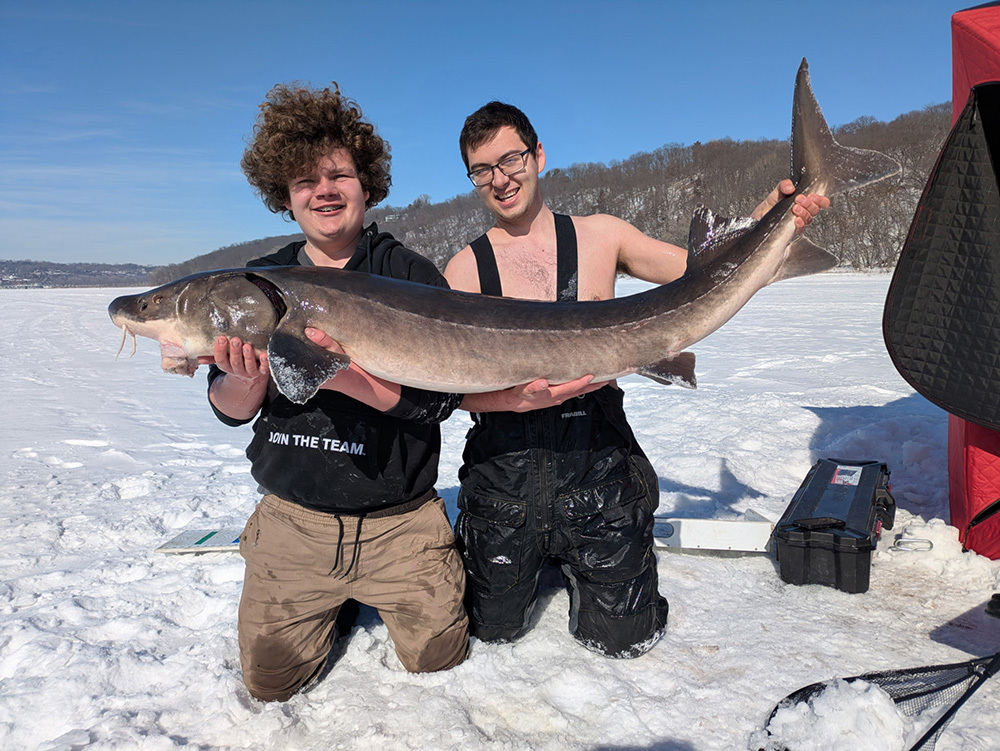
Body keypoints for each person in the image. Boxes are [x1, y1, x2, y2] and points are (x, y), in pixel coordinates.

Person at [444, 101, 829, 658]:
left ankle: (584, 564)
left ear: (539, 155)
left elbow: (701, 274)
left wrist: (772, 214)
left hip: (596, 462)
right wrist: (510, 400)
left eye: (511, 159)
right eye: (483, 170)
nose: (501, 179)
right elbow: (448, 388)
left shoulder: (603, 236)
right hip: (506, 471)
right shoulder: (463, 269)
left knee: (626, 634)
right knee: (491, 631)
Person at [204, 83, 468, 702]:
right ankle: (328, 602)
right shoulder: (257, 283)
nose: (324, 190)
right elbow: (229, 410)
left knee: (439, 662)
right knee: (271, 685)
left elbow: (439, 403)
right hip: (294, 522)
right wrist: (245, 378)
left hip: (399, 522)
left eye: (339, 175)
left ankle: (369, 592)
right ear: (285, 198)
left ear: (367, 185)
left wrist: (332, 367)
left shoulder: (409, 275)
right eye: (305, 181)